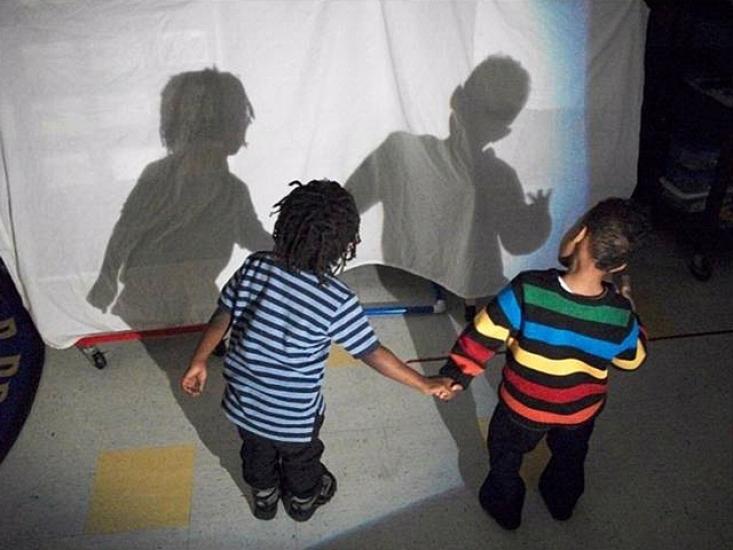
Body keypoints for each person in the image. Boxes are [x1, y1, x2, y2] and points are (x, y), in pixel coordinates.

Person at [181, 179, 455, 522]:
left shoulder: (255, 267)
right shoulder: (336, 300)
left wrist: (199, 359)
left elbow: (225, 312)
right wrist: (425, 383)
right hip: (295, 417)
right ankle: (302, 501)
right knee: (301, 460)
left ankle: (264, 498)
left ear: (285, 224)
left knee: (255, 453)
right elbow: (372, 352)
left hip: (244, 405)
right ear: (344, 245)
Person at [439, 197, 651, 530]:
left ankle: (506, 509)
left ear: (579, 234)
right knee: (570, 459)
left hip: (521, 409)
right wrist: (633, 314)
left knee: (505, 457)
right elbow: (633, 359)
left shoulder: (529, 290)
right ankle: (561, 503)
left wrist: (456, 376)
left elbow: (482, 336)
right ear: (619, 266)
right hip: (579, 413)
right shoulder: (620, 315)